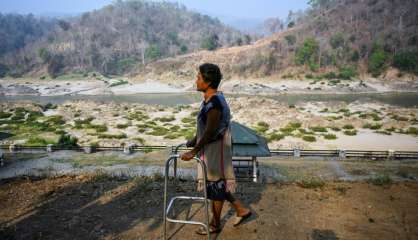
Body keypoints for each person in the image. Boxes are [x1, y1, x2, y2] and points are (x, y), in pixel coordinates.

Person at [181, 63, 251, 235]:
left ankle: (215, 224)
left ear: (208, 81)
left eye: (198, 78)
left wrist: (194, 151)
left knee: (216, 185)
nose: (196, 81)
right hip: (212, 147)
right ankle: (241, 209)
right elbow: (206, 128)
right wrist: (194, 139)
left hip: (216, 149)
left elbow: (211, 131)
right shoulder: (211, 99)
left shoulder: (214, 103)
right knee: (216, 182)